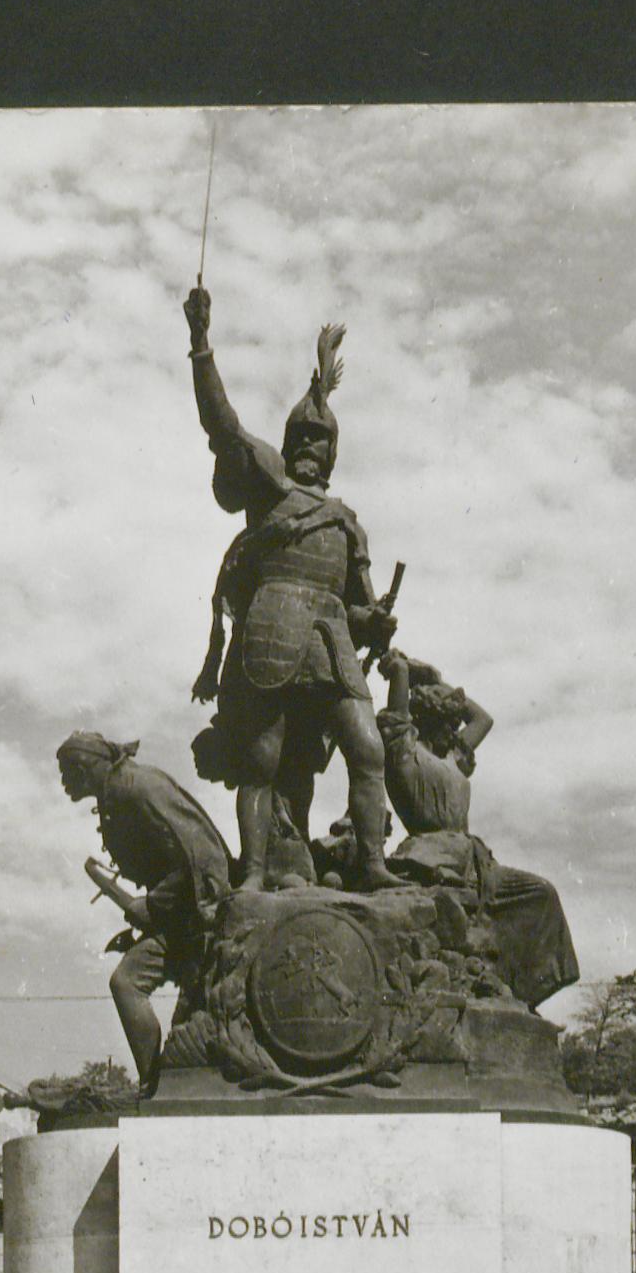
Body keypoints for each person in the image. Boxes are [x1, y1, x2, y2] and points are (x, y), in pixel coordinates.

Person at [183, 283, 403, 892]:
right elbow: (223, 427)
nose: (308, 446)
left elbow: (359, 611)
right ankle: (254, 874)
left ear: (332, 453)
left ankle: (372, 864)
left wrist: (376, 623)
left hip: (331, 642)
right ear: (286, 446)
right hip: (274, 630)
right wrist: (201, 344)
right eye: (300, 438)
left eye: (319, 440)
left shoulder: (347, 523)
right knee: (262, 760)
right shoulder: (270, 490)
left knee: (369, 750)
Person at [375, 650, 580, 1010]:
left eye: (455, 726)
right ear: (429, 722)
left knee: (541, 894)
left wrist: (435, 678)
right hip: (431, 855)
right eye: (448, 725)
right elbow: (397, 716)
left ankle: (520, 997)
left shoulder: (453, 758)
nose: (455, 732)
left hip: (475, 862)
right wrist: (402, 673)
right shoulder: (404, 752)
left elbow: (483, 719)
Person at [56, 732, 233, 1093]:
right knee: (128, 984)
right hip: (176, 916)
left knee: (175, 1011)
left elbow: (202, 854)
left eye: (65, 773)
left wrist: (152, 905)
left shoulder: (137, 788)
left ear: (83, 768)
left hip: (201, 917)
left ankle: (162, 1087)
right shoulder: (115, 792)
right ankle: (154, 1086)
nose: (63, 782)